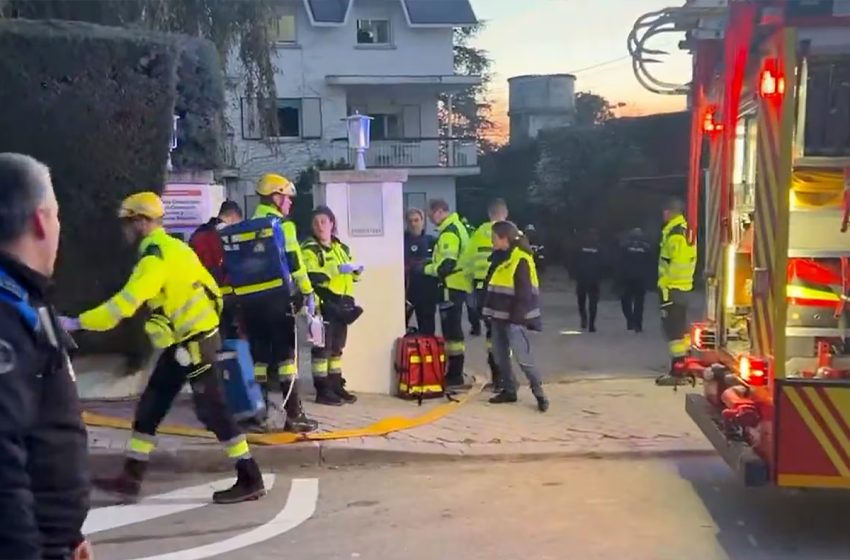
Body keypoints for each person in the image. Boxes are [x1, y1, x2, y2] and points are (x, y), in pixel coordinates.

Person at [59, 191, 264, 504]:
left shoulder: (154, 259)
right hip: (189, 342)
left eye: (128, 223)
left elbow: (122, 306)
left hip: (194, 345)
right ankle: (130, 477)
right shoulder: (176, 247)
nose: (125, 230)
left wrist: (75, 323)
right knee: (151, 405)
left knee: (214, 411)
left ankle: (250, 476)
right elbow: (203, 293)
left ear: (141, 222)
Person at [0, 154, 91, 560]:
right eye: (56, 216)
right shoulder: (6, 313)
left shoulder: (27, 300)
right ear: (40, 219)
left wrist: (69, 537)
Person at [242, 173, 318, 432]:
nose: (290, 204)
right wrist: (308, 292)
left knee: (260, 360)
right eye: (287, 198)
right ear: (275, 197)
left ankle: (257, 414)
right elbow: (295, 262)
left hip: (252, 303)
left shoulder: (250, 224)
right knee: (286, 359)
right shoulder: (283, 226)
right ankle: (293, 415)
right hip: (278, 301)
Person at [482, 221, 549, 412]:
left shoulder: (520, 259)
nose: (492, 242)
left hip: (513, 319)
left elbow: (524, 293)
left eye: (494, 238)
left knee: (523, 358)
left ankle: (539, 393)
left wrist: (516, 319)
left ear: (504, 238)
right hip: (498, 316)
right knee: (500, 356)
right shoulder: (500, 258)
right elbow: (491, 284)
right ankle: (509, 390)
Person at [302, 206, 362, 406]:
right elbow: (313, 275)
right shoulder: (310, 249)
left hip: (343, 305)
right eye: (316, 222)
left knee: (337, 349)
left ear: (332, 223)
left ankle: (336, 385)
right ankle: (323, 390)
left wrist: (356, 270)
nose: (320, 226)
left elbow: (354, 277)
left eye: (324, 221)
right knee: (322, 350)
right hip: (324, 304)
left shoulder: (341, 248)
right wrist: (336, 269)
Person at [424, 199, 472, 389]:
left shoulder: (449, 232)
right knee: (454, 330)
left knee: (451, 332)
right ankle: (455, 372)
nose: (429, 218)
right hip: (457, 285)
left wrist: (426, 269)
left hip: (450, 286)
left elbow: (447, 265)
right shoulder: (457, 226)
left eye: (429, 214)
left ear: (438, 211)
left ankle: (454, 375)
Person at [465, 198, 509, 389]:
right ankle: (505, 377)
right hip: (506, 290)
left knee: (491, 332)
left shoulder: (479, 233)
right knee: (504, 333)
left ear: (489, 213)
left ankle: (496, 376)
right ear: (505, 213)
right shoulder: (513, 232)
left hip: (484, 288)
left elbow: (466, 261)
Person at [655, 197, 698, 386]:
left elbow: (677, 264)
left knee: (673, 332)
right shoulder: (682, 231)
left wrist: (666, 284)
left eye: (665, 211)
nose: (663, 214)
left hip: (673, 288)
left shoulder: (675, 234)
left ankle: (678, 371)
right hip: (682, 288)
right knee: (681, 330)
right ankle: (685, 367)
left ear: (671, 212)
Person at [189, 200, 244, 338]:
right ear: (233, 217)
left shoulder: (198, 234)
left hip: (199, 295)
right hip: (223, 295)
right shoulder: (227, 235)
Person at [404, 208, 438, 335]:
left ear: (423, 222)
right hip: (406, 291)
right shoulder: (400, 241)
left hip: (427, 291)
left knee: (427, 328)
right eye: (410, 221)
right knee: (401, 326)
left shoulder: (432, 241)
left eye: (416, 220)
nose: (413, 224)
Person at [617, 227, 653, 332]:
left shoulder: (624, 246)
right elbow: (650, 264)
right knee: (639, 303)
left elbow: (619, 262)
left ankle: (630, 320)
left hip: (627, 278)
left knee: (626, 301)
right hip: (640, 279)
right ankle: (637, 324)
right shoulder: (646, 248)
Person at [573, 228, 603, 332]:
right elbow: (604, 263)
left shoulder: (580, 246)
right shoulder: (599, 247)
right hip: (594, 278)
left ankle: (584, 319)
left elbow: (574, 260)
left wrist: (574, 274)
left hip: (582, 277)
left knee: (581, 301)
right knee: (593, 302)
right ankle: (591, 324)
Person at [460, 215, 482, 336]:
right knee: (476, 300)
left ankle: (475, 326)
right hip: (477, 270)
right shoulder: (474, 231)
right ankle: (479, 324)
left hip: (467, 271)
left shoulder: (460, 232)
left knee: (470, 301)